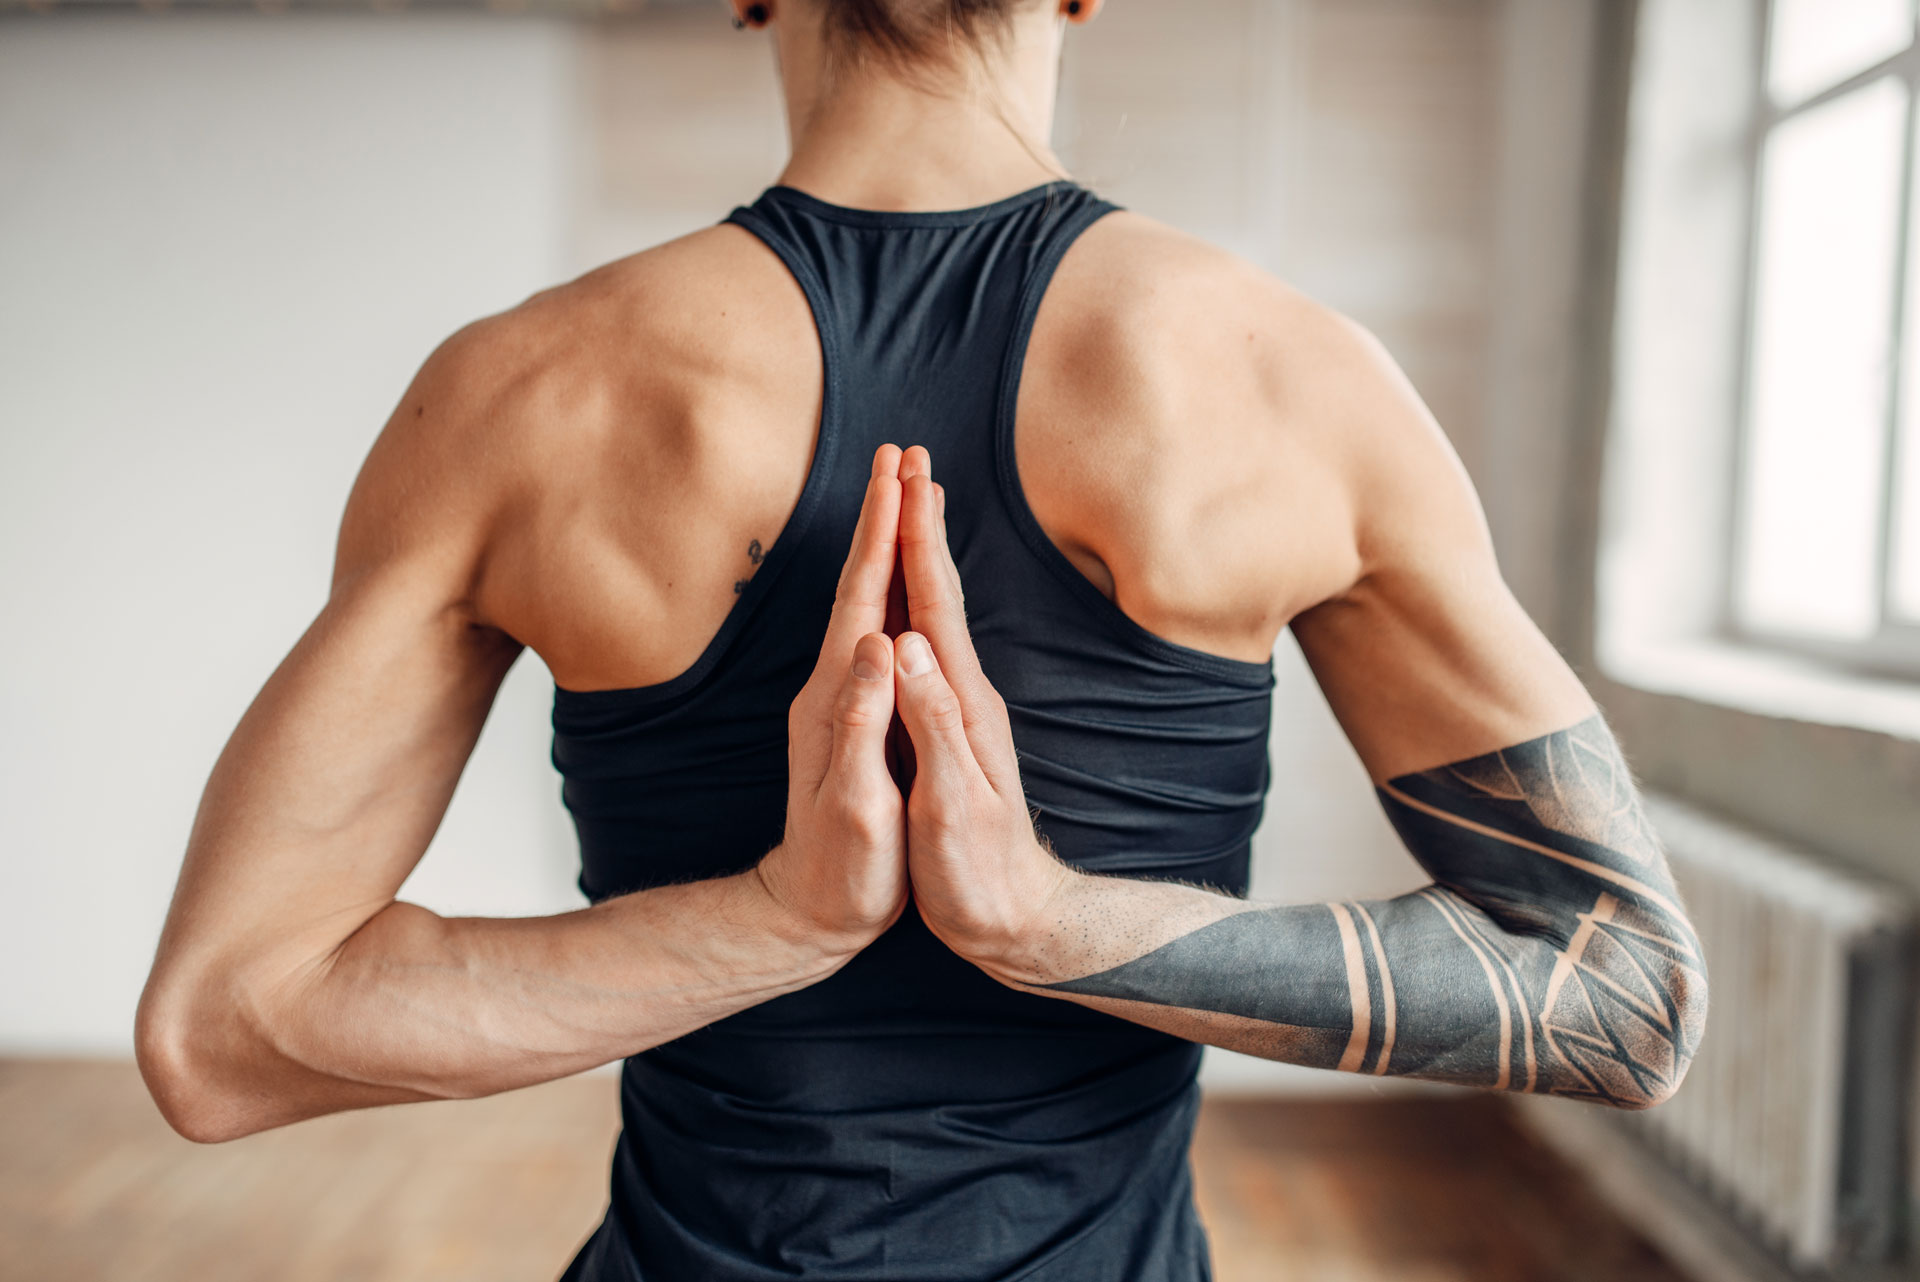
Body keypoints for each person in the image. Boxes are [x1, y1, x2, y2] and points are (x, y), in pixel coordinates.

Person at [134, 0, 1709, 1278]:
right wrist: (1046, 923)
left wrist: (781, 920)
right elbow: (1619, 986)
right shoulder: (1288, 380)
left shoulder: (521, 397)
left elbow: (227, 1030)